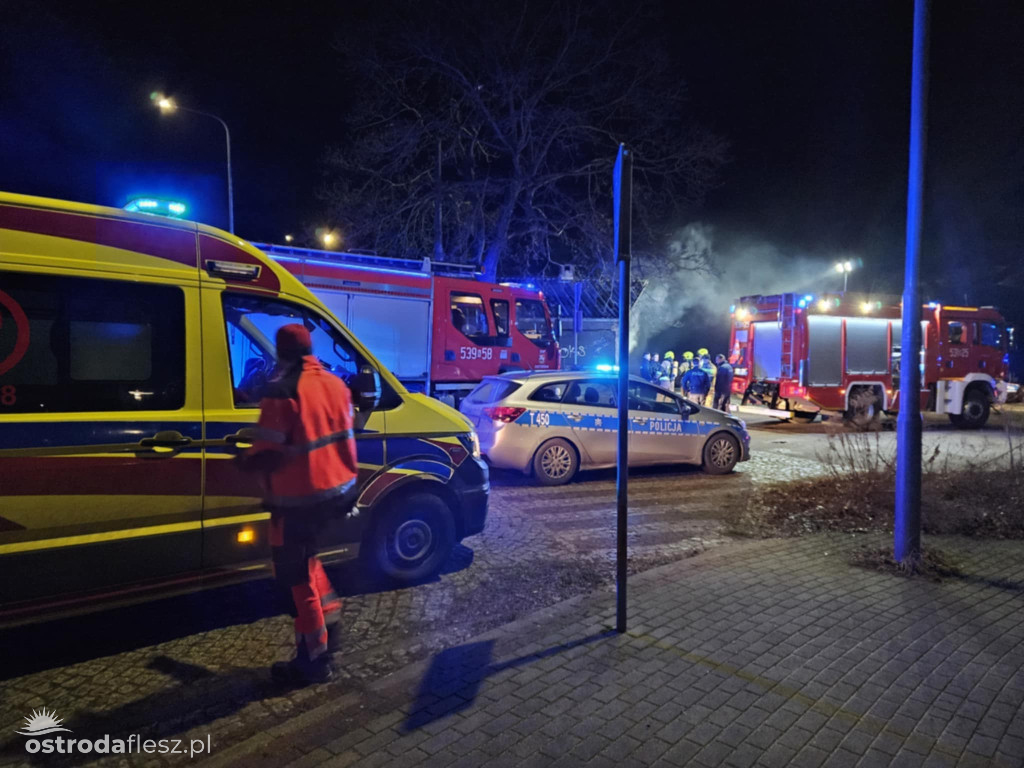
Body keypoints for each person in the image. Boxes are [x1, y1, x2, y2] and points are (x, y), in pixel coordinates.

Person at [238, 324, 358, 685]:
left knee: (295, 577)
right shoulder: (335, 384)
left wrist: (241, 461)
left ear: (281, 352)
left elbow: (267, 451)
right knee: (308, 562)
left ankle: (314, 660)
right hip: (336, 494)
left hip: (296, 501)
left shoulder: (283, 390)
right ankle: (330, 620)